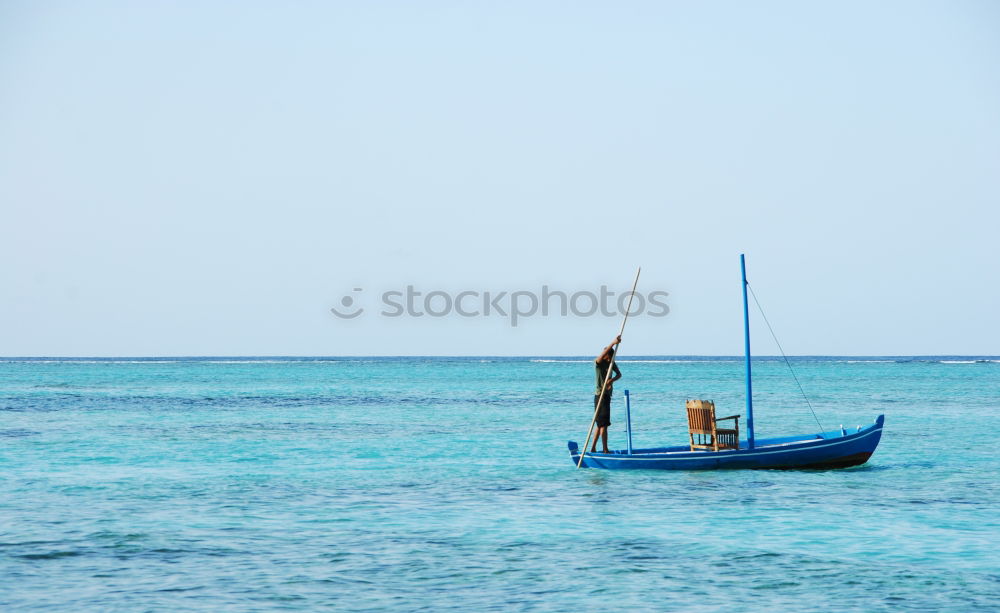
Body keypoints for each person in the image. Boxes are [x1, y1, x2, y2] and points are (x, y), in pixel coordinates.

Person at [592, 335, 623, 453]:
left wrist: (611, 380)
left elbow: (619, 374)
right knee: (602, 424)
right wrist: (613, 342)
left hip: (607, 396)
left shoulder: (611, 363)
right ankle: (605, 449)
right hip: (600, 395)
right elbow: (601, 356)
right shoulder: (599, 363)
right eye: (610, 357)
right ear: (606, 355)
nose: (611, 359)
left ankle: (594, 448)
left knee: (601, 424)